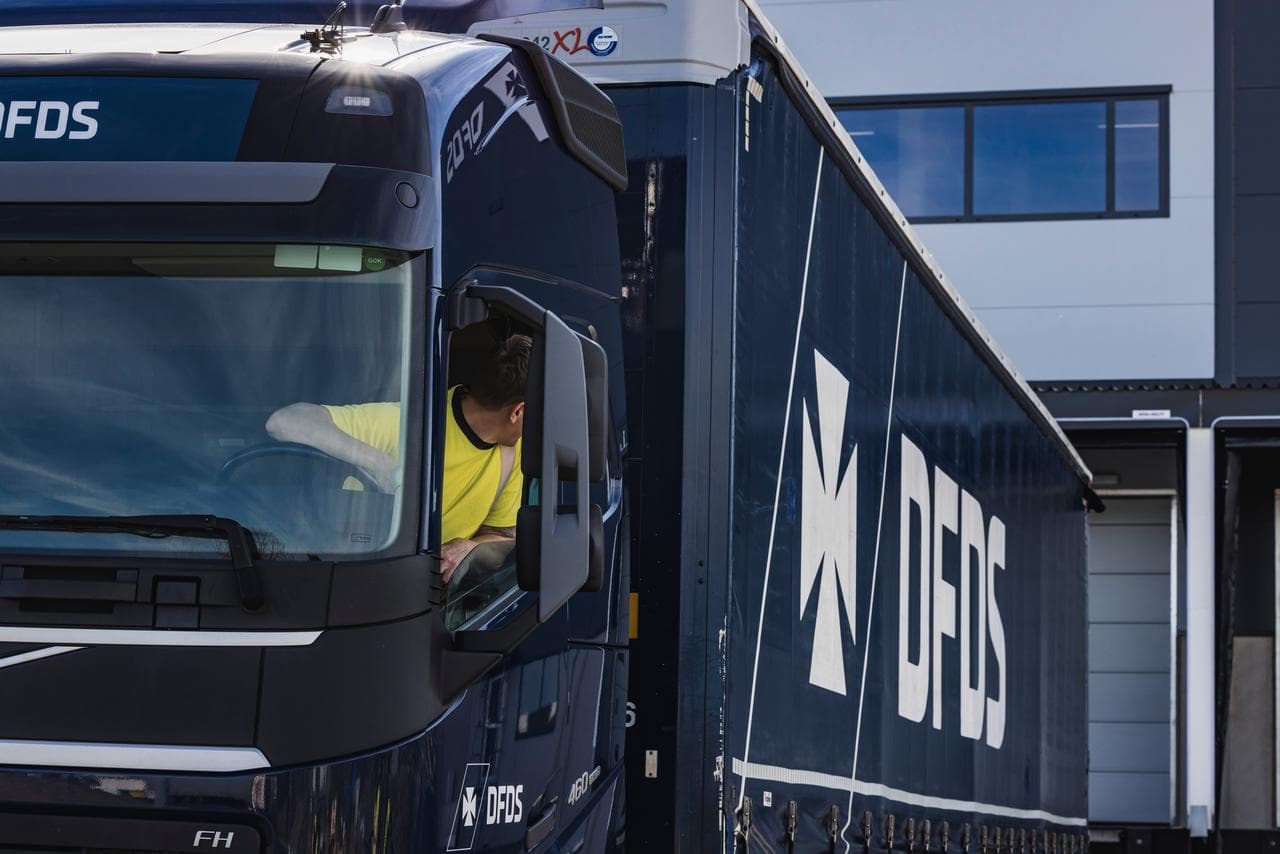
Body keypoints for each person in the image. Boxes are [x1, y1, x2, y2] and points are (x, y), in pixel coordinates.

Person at [265, 334, 531, 583]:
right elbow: (284, 422)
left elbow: (503, 536)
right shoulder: (405, 423)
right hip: (330, 574)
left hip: (408, 598)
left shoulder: (512, 453)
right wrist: (384, 466)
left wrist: (470, 547)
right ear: (517, 412)